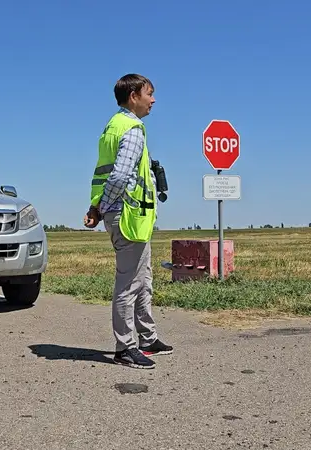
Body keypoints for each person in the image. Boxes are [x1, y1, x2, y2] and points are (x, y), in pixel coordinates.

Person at [84, 73, 174, 370]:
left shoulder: (113, 126)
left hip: (129, 216)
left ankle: (147, 338)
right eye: (150, 93)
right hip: (127, 215)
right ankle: (125, 346)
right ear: (134, 95)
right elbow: (121, 175)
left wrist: (98, 208)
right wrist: (106, 206)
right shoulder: (133, 128)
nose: (154, 99)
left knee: (143, 278)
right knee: (129, 284)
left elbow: (107, 172)